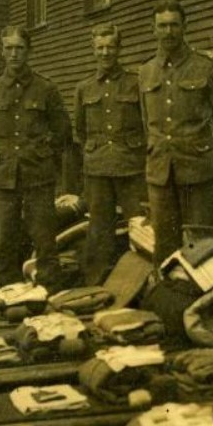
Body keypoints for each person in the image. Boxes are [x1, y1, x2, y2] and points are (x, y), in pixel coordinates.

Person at [138, 0, 213, 265]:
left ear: (184, 27)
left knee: (204, 243)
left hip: (199, 169)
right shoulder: (146, 71)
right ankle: (168, 298)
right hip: (161, 171)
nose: (168, 32)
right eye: (162, 26)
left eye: (173, 25)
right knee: (165, 242)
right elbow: (146, 122)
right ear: (153, 29)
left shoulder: (205, 66)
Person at [0, 25, 70, 291]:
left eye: (20, 48)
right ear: (2, 51)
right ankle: (4, 287)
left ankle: (50, 286)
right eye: (9, 48)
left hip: (37, 174)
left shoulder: (46, 88)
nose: (14, 54)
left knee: (44, 235)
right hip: (2, 175)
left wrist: (42, 154)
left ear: (29, 51)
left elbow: (62, 131)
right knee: (4, 235)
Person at [74, 24, 147, 286]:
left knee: (141, 226)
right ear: (93, 50)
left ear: (119, 49)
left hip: (130, 167)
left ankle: (143, 282)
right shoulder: (84, 88)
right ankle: (96, 283)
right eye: (100, 47)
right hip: (98, 169)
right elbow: (80, 131)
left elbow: (146, 123)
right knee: (98, 229)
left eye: (110, 47)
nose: (105, 53)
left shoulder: (135, 83)